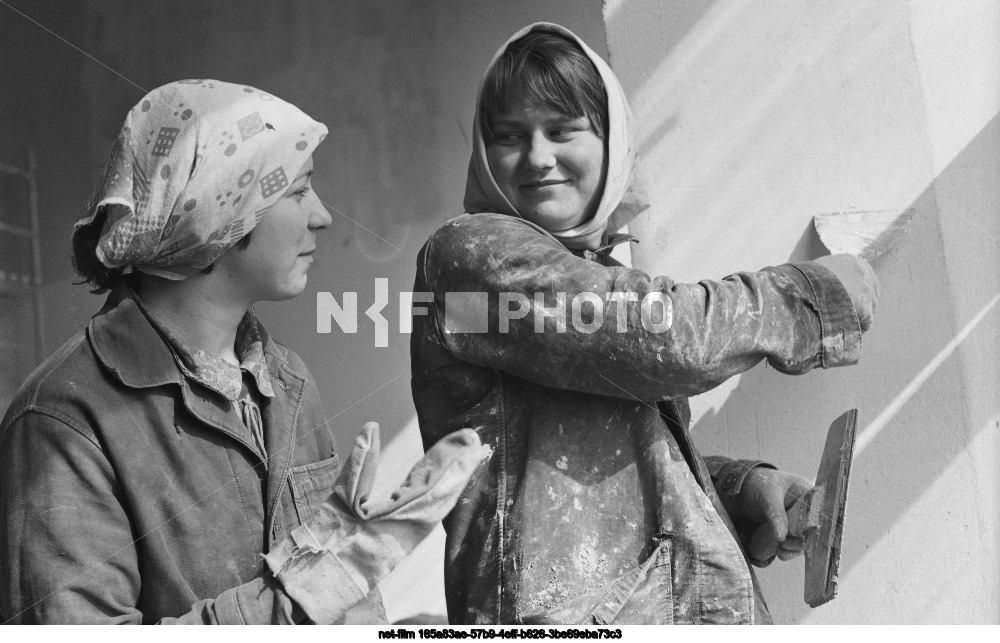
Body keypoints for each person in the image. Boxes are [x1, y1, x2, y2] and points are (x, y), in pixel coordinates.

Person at [410, 23, 879, 625]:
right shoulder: (469, 263)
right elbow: (667, 340)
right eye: (508, 136)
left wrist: (736, 491)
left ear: (613, 144)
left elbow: (610, 478)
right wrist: (812, 296)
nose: (536, 156)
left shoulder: (592, 275)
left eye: (562, 130)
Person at [0, 80, 481, 624]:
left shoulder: (287, 381)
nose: (322, 216)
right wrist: (323, 581)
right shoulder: (61, 420)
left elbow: (337, 611)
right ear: (218, 216)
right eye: (298, 191)